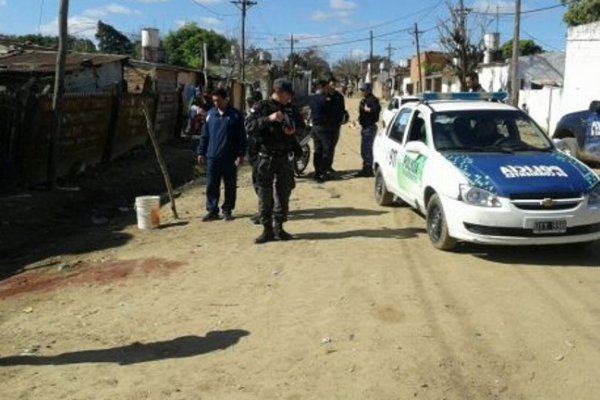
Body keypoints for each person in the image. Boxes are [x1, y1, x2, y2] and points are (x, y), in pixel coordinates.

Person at [245, 78, 306, 244]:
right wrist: (269, 119)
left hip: (284, 157)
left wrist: (293, 130)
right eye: (287, 95)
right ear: (278, 92)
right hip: (266, 158)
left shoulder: (291, 109)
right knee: (265, 195)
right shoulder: (262, 107)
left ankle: (279, 226)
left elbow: (302, 127)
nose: (290, 99)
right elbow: (249, 126)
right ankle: (267, 229)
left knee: (284, 192)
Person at [197, 88, 247, 222]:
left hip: (230, 157)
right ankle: (212, 210)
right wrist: (201, 152)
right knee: (211, 184)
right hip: (212, 156)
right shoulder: (210, 115)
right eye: (214, 101)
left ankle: (227, 210)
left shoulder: (235, 116)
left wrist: (241, 154)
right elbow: (204, 136)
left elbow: (242, 137)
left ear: (226, 99)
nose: (216, 103)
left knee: (230, 184)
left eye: (218, 100)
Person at [308, 80, 335, 183]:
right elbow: (331, 113)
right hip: (324, 127)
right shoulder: (326, 99)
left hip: (315, 127)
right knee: (326, 150)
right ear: (323, 87)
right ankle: (323, 173)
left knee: (317, 150)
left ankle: (317, 172)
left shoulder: (312, 98)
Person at [356, 82, 381, 177]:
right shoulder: (365, 99)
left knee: (367, 149)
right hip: (365, 127)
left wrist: (368, 110)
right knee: (364, 149)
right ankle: (365, 168)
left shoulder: (373, 100)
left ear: (368, 90)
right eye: (361, 90)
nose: (362, 92)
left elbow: (377, 109)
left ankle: (368, 170)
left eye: (363, 90)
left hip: (369, 127)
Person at [327, 78, 346, 175]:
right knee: (325, 146)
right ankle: (322, 167)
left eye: (334, 84)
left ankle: (329, 166)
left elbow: (343, 110)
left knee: (332, 146)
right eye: (331, 84)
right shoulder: (324, 96)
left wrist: (342, 118)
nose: (333, 86)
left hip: (335, 125)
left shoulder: (339, 96)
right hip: (325, 126)